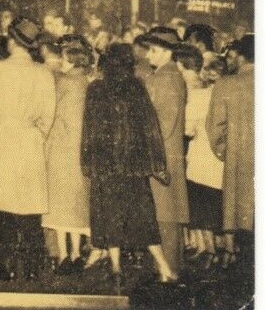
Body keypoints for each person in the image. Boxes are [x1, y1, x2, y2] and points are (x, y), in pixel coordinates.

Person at [81, 44, 179, 286]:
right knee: (144, 220)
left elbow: (89, 131)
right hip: (133, 168)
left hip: (105, 167)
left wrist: (87, 163)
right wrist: (157, 164)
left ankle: (116, 268)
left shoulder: (95, 89)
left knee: (109, 217)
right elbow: (150, 129)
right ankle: (164, 267)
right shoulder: (137, 88)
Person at [0, 18, 56, 281]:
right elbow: (49, 115)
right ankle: (33, 265)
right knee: (29, 207)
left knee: (4, 206)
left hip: (4, 139)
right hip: (30, 140)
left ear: (12, 41)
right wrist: (36, 135)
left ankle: (5, 263)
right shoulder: (43, 72)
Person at [139, 26, 189, 275]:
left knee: (164, 216)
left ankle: (168, 273)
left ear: (167, 52)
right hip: (168, 155)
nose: (149, 55)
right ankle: (170, 270)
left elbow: (163, 124)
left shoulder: (164, 79)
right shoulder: (172, 76)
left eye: (154, 50)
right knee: (166, 215)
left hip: (160, 157)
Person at [43, 35, 93, 274]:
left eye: (62, 57)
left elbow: (51, 115)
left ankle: (63, 255)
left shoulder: (62, 82)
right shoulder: (86, 81)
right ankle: (76, 253)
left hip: (61, 149)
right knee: (77, 205)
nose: (60, 61)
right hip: (81, 151)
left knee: (59, 205)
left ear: (71, 58)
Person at [207, 35, 254, 265]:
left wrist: (225, 151)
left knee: (235, 205)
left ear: (241, 56)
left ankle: (229, 252)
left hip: (239, 156)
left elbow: (215, 127)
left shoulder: (226, 84)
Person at [176, 45, 222, 267]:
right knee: (213, 203)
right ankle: (213, 248)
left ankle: (206, 248)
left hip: (199, 157)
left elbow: (188, 130)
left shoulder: (199, 97)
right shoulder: (222, 97)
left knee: (199, 203)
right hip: (217, 160)